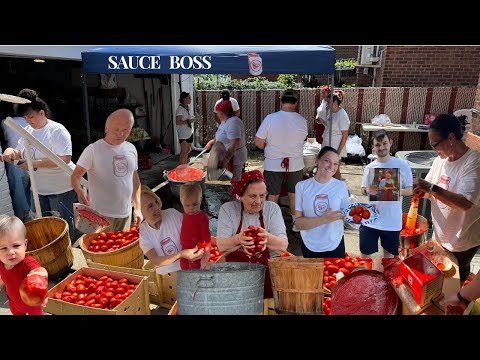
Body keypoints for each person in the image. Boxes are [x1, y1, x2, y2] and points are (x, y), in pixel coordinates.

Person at [0, 89, 77, 239]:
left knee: (62, 225)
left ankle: (69, 253)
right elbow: (20, 152)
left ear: (42, 113)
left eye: (31, 117)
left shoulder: (57, 130)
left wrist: (33, 163)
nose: (29, 121)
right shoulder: (28, 130)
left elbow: (64, 159)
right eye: (26, 118)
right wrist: (9, 152)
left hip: (61, 187)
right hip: (40, 188)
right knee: (42, 224)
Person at [413, 114, 480, 283]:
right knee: (439, 274)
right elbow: (430, 190)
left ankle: (456, 302)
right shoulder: (439, 161)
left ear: (451, 138)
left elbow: (465, 203)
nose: (435, 150)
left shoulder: (473, 162)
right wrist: (422, 191)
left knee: (456, 274)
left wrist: (431, 188)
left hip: (463, 237)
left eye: (435, 144)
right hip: (441, 233)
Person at [216, 170, 288, 298]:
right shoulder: (228, 210)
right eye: (253, 196)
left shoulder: (272, 209)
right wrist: (239, 239)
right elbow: (221, 246)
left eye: (262, 195)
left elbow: (283, 245)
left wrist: (267, 237)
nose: (259, 201)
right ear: (241, 195)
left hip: (265, 277)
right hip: (235, 277)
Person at [71, 108, 142, 232]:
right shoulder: (93, 150)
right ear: (106, 128)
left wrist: (137, 208)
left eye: (126, 130)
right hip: (101, 215)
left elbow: (135, 179)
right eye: (116, 129)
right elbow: (75, 176)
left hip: (125, 213)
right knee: (100, 249)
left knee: (121, 248)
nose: (120, 134)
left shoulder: (131, 149)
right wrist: (78, 190)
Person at [255, 89, 308, 231]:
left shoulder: (270, 118)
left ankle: (267, 224)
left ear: (281, 101)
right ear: (296, 103)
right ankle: (296, 223)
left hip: (273, 162)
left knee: (272, 194)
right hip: (295, 163)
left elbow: (258, 143)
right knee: (294, 193)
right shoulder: (302, 120)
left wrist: (271, 146)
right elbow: (302, 140)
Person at [360, 130, 413, 259]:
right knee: (365, 256)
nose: (381, 147)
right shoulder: (370, 167)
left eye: (384, 143)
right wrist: (370, 190)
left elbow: (410, 190)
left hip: (391, 221)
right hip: (370, 220)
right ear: (373, 147)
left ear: (390, 143)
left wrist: (393, 191)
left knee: (389, 258)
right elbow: (363, 189)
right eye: (377, 145)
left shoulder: (402, 165)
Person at [294, 146, 349, 258]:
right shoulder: (302, 186)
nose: (331, 167)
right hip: (310, 244)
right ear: (317, 160)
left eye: (335, 164)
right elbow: (298, 224)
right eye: (327, 161)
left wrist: (363, 212)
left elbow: (346, 213)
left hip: (335, 243)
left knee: (336, 276)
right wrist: (322, 220)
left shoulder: (341, 186)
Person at [138, 185, 204, 275]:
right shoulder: (143, 232)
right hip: (167, 276)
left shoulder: (172, 214)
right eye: (150, 206)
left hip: (190, 268)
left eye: (156, 202)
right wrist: (181, 255)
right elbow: (155, 260)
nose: (157, 208)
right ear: (140, 211)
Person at [0, 214, 48, 315]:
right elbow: (4, 277)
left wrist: (38, 274)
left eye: (16, 246)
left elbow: (40, 270)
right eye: (4, 248)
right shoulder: (2, 262)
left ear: (25, 245)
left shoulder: (27, 263)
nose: (11, 252)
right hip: (13, 302)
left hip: (32, 304)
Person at [0, 102, 31, 220]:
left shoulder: (5, 122)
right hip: (30, 160)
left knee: (18, 194)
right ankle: (31, 217)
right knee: (30, 191)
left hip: (14, 161)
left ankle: (22, 220)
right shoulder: (27, 120)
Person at [204, 100, 247, 180]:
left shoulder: (234, 123)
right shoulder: (224, 122)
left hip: (235, 157)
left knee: (235, 181)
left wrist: (226, 159)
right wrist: (210, 143)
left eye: (218, 112)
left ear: (224, 112)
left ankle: (236, 192)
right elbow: (221, 137)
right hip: (228, 155)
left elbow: (234, 144)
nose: (217, 114)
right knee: (230, 180)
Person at [317, 90, 350, 180]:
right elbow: (330, 127)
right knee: (327, 167)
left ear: (335, 102)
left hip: (335, 145)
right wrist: (322, 122)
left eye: (328, 102)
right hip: (327, 142)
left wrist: (338, 152)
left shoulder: (342, 115)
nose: (326, 104)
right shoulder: (331, 112)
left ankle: (337, 188)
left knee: (335, 169)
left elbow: (344, 135)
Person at [179, 182, 211, 269]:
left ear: (200, 200)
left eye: (195, 204)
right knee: (183, 266)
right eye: (187, 205)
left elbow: (206, 236)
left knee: (195, 268)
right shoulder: (184, 214)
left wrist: (206, 250)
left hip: (196, 250)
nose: (191, 208)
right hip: (184, 249)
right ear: (181, 202)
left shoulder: (202, 217)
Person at [175, 92, 196, 165]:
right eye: (189, 98)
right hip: (183, 134)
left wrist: (193, 119)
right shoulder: (180, 109)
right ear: (184, 99)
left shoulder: (187, 108)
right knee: (183, 152)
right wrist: (188, 121)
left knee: (187, 151)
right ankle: (181, 168)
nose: (190, 99)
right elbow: (178, 122)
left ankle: (184, 167)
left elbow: (189, 118)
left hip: (189, 133)